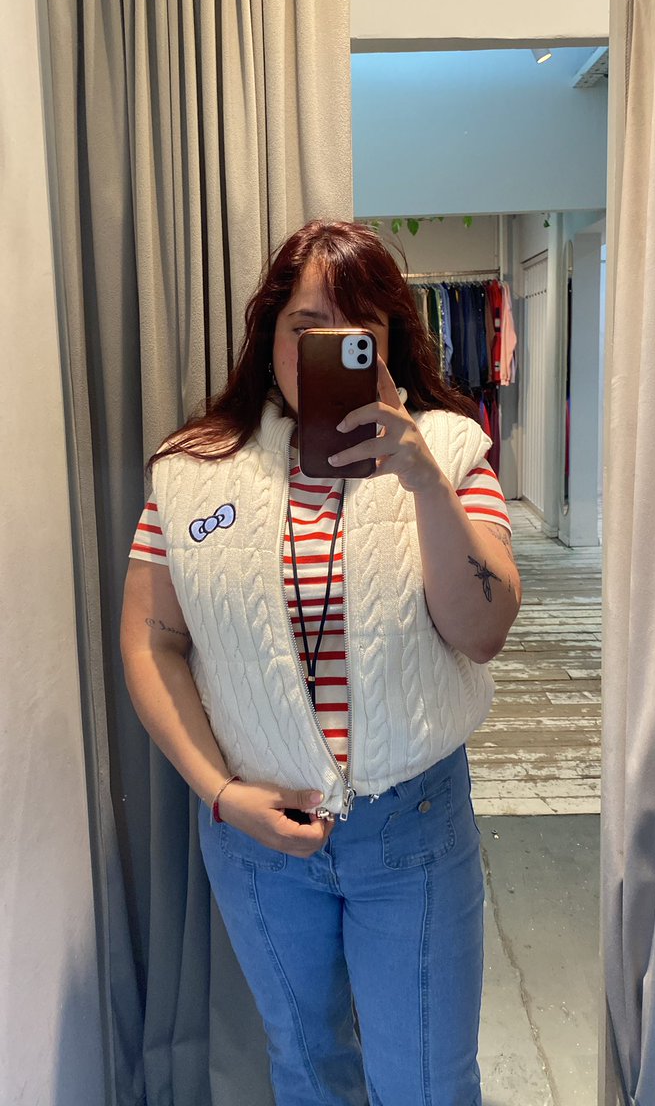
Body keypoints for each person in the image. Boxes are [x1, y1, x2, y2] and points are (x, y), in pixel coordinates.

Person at [121, 219, 522, 1106]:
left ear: (387, 344)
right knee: (306, 1073)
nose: (323, 350)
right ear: (268, 336)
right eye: (304, 326)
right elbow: (152, 639)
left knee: (427, 1085)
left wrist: (421, 477)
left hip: (411, 825)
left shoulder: (452, 449)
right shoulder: (192, 471)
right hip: (256, 837)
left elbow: (483, 630)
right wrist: (219, 793)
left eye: (352, 331)